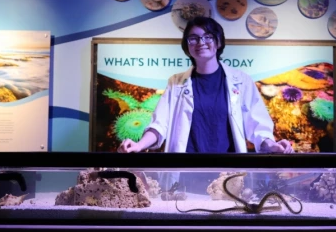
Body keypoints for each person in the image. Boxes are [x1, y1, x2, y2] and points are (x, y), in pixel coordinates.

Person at [118, 16, 294, 154]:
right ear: (187, 47)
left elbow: (257, 125)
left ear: (218, 42)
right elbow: (159, 124)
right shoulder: (176, 83)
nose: (201, 43)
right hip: (187, 171)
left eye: (207, 37)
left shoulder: (242, 81)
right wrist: (138, 145)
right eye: (193, 38)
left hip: (229, 173)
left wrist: (272, 145)